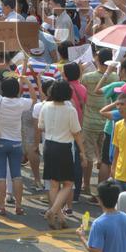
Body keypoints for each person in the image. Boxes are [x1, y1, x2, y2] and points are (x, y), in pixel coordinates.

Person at [0, 60, 33, 216]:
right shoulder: (22, 102)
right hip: (16, 143)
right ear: (18, 90)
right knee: (16, 175)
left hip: (0, 143)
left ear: (2, 89)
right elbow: (36, 98)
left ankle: (2, 206)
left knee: (1, 175)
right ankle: (18, 206)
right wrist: (27, 82)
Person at [37, 79, 87, 229]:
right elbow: (77, 133)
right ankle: (53, 211)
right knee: (68, 183)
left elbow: (41, 127)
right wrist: (82, 152)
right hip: (64, 148)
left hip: (49, 146)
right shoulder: (70, 109)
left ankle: (59, 217)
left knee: (53, 185)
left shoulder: (45, 106)